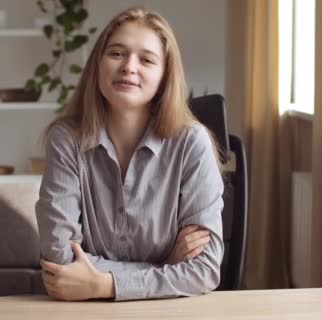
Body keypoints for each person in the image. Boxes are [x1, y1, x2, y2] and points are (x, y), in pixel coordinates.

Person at [35, 7, 224, 301]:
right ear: (97, 64)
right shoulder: (66, 140)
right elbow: (62, 262)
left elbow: (204, 270)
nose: (129, 67)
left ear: (165, 77)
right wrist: (165, 269)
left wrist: (103, 285)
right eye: (116, 53)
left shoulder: (192, 143)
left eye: (146, 59)